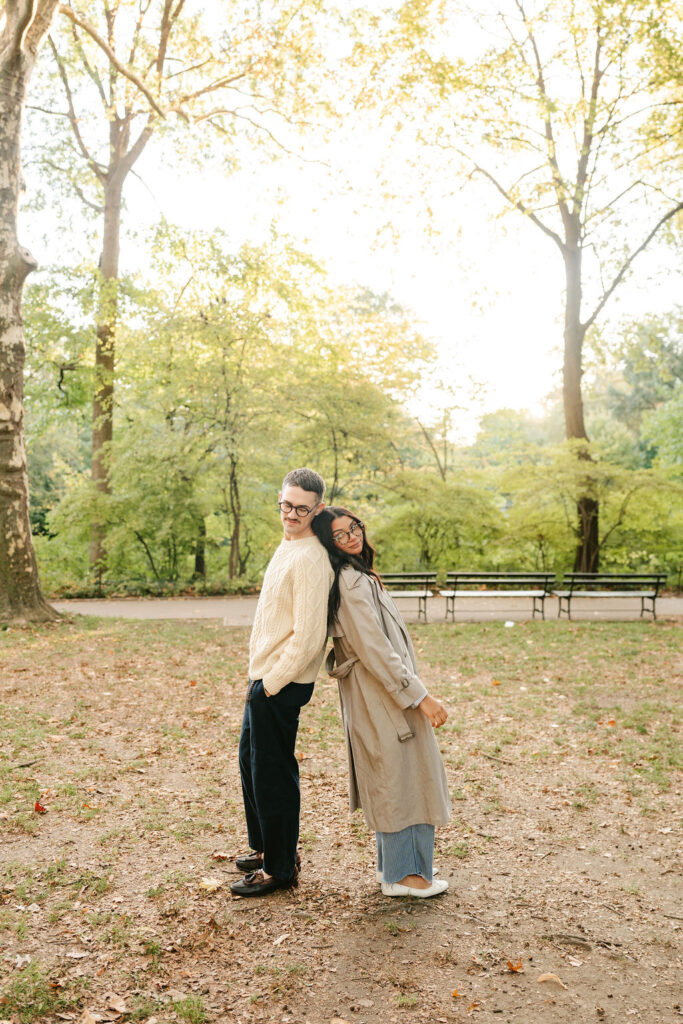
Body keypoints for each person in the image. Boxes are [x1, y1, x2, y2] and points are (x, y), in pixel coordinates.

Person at [312, 506, 450, 898]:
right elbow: (375, 650)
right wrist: (420, 696)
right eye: (339, 534)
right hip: (382, 696)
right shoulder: (351, 584)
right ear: (329, 543)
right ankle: (404, 877)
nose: (351, 536)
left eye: (353, 527)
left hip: (387, 693)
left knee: (403, 774)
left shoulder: (359, 576)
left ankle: (401, 867)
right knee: (398, 777)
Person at [230, 468, 333, 897]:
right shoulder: (288, 543)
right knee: (251, 765)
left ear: (318, 509)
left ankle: (280, 868)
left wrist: (270, 683)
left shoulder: (311, 557)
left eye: (302, 509)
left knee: (273, 775)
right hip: (265, 677)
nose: (291, 514)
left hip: (281, 682)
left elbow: (310, 637)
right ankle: (266, 847)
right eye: (286, 505)